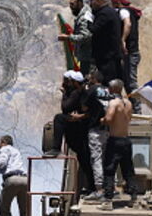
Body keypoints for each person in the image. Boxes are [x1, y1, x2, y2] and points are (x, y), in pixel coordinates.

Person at [46, 71, 93, 194]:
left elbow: (65, 107)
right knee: (84, 160)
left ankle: (56, 148)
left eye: (68, 81)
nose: (66, 83)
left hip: (80, 125)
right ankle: (91, 186)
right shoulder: (80, 91)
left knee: (59, 118)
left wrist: (64, 94)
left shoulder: (77, 93)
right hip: (79, 125)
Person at [99, 79, 137, 204]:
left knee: (109, 169)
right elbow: (129, 118)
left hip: (115, 140)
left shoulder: (113, 103)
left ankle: (108, 198)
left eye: (109, 88)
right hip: (126, 140)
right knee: (128, 169)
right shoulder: (128, 103)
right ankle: (133, 196)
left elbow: (109, 119)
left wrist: (102, 120)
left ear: (114, 89)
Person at [83, 69, 113, 200]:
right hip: (108, 129)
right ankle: (111, 187)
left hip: (95, 129)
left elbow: (84, 107)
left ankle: (99, 189)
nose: (88, 79)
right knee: (108, 159)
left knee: (96, 159)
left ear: (94, 78)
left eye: (90, 77)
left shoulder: (92, 90)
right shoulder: (109, 91)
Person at [111, 0, 142, 114]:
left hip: (130, 53)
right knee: (127, 82)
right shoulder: (130, 11)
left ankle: (137, 111)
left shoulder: (124, 11)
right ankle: (133, 109)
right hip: (132, 53)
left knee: (131, 83)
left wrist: (122, 40)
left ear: (117, 4)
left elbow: (127, 24)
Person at [87, 0, 123, 86]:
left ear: (99, 1)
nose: (90, 4)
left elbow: (94, 29)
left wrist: (89, 20)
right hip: (110, 54)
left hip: (107, 55)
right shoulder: (109, 11)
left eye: (92, 1)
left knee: (108, 81)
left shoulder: (104, 14)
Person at [58, 0, 94, 76]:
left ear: (80, 3)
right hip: (84, 54)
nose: (71, 7)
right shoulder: (83, 14)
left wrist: (68, 37)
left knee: (86, 78)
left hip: (87, 55)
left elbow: (85, 36)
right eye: (70, 4)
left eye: (72, 4)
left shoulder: (84, 16)